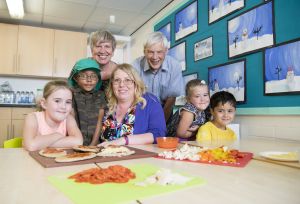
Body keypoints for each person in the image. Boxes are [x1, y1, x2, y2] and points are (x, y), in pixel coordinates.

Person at [97, 63, 166, 146]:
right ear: (112, 85)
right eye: (117, 80)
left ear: (136, 83)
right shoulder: (106, 105)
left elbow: (158, 134)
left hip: (137, 158)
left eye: (127, 80)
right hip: (106, 157)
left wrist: (123, 140)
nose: (121, 85)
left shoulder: (150, 101)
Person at [132, 32, 184, 123]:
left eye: (159, 52)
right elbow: (133, 97)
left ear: (166, 51)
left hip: (165, 111)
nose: (155, 57)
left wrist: (160, 124)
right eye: (151, 52)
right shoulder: (135, 66)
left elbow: (171, 100)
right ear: (144, 51)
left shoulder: (174, 66)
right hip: (141, 110)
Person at [23, 80, 83, 151]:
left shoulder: (68, 118)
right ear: (44, 103)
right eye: (57, 101)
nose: (63, 106)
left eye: (68, 102)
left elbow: (78, 142)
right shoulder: (32, 118)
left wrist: (40, 143)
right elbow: (31, 146)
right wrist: (58, 135)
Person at [68, 58, 106, 146]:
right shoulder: (71, 95)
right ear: (76, 78)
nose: (89, 80)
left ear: (97, 79)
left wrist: (93, 145)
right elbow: (71, 121)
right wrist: (78, 144)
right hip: (74, 143)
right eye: (84, 76)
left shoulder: (101, 96)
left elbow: (99, 122)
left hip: (95, 144)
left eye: (93, 76)